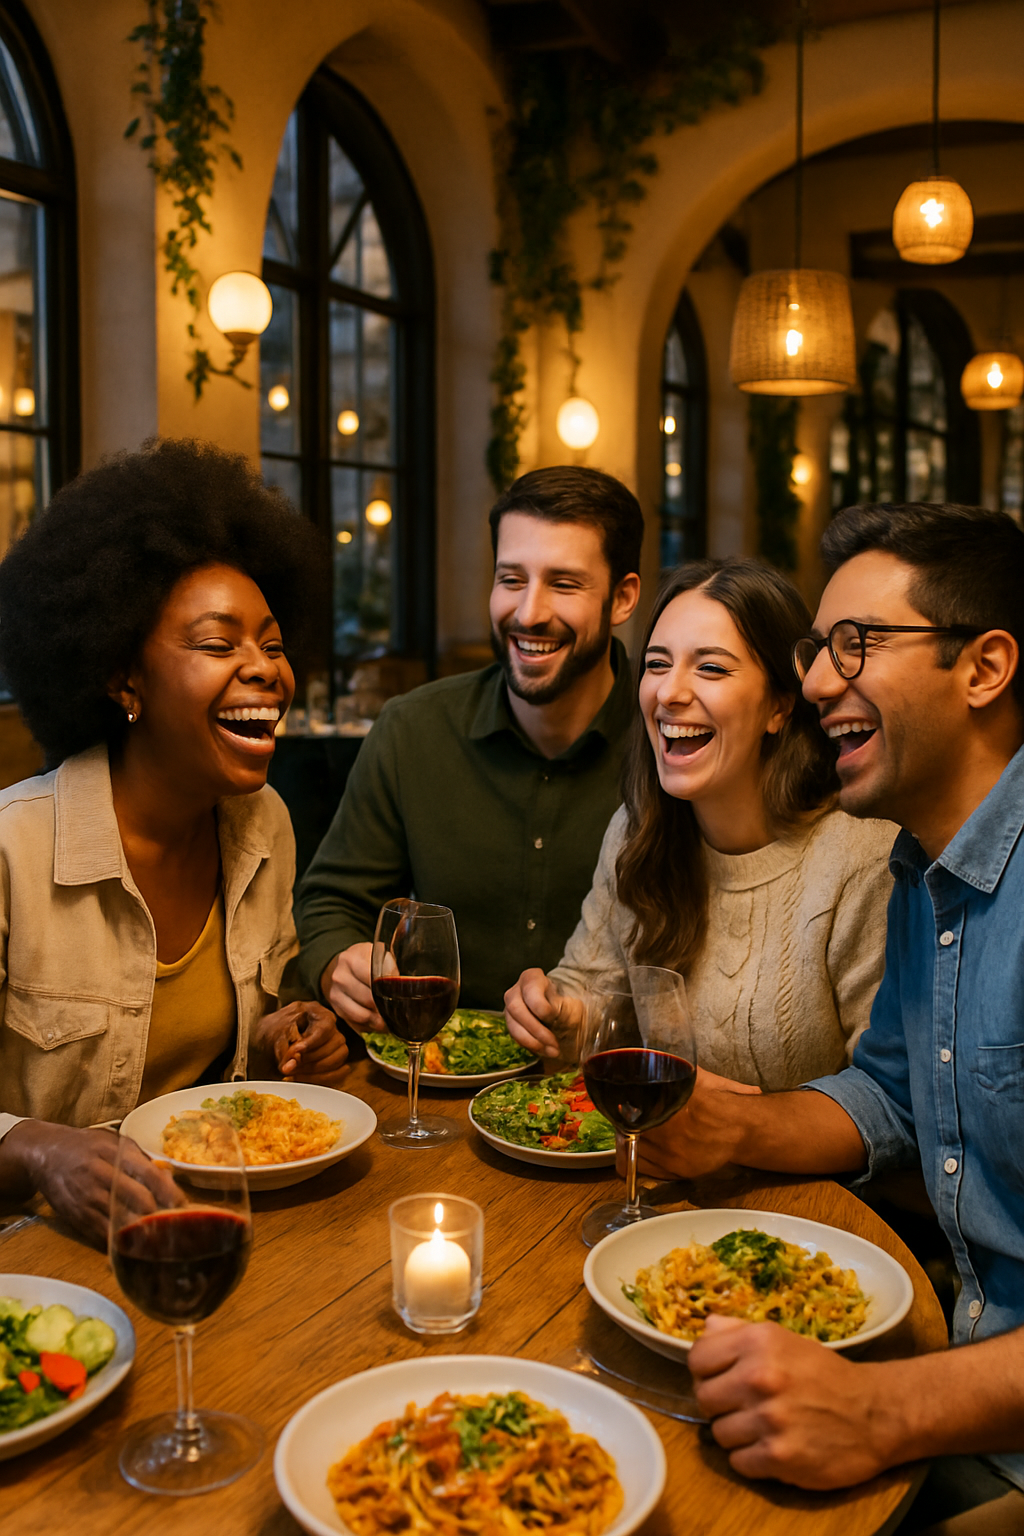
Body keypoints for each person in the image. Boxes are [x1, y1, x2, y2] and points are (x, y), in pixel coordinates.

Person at [632, 504, 1024, 1533]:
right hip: (964, 1376)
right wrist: (738, 1124)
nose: (812, 683)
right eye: (817, 649)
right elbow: (887, 1090)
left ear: (983, 669)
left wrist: (882, 1410)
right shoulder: (921, 868)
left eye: (858, 645)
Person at [0, 439, 348, 1245]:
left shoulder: (265, 829)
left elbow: (222, 1072)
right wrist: (42, 1151)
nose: (265, 669)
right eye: (219, 644)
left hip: (210, 1224)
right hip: (37, 1257)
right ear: (125, 679)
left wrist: (285, 1040)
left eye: (271, 642)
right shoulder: (14, 852)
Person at [505, 558, 895, 1089]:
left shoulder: (862, 857)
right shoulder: (636, 830)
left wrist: (740, 1126)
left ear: (779, 707)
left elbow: (887, 1098)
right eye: (658, 664)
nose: (669, 693)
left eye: (710, 668)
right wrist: (559, 1014)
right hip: (656, 1162)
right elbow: (590, 990)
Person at [294, 465, 643, 1025]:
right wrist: (339, 959)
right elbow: (330, 901)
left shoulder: (671, 744)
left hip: (609, 1085)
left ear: (623, 598)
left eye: (563, 583)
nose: (529, 613)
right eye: (511, 579)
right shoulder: (413, 730)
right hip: (431, 1079)